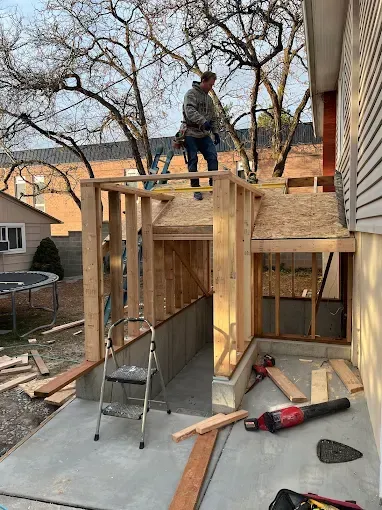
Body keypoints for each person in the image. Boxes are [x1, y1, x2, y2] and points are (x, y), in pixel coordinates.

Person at [183, 71, 220, 200]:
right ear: (203, 81)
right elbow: (190, 111)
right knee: (193, 160)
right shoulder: (191, 94)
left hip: (204, 134)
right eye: (210, 84)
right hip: (191, 132)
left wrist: (215, 132)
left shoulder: (209, 99)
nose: (211, 87)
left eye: (213, 85)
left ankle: (213, 186)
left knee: (213, 157)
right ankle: (196, 189)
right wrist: (202, 121)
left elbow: (213, 117)